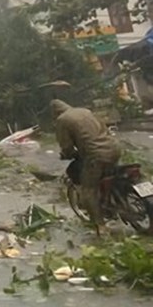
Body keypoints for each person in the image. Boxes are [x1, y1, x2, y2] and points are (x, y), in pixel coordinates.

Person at [51, 99, 121, 235]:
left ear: (55, 112)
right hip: (114, 147)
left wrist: (68, 154)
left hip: (95, 155)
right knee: (113, 175)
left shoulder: (62, 120)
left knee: (89, 190)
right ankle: (115, 201)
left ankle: (100, 225)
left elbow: (66, 146)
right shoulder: (85, 111)